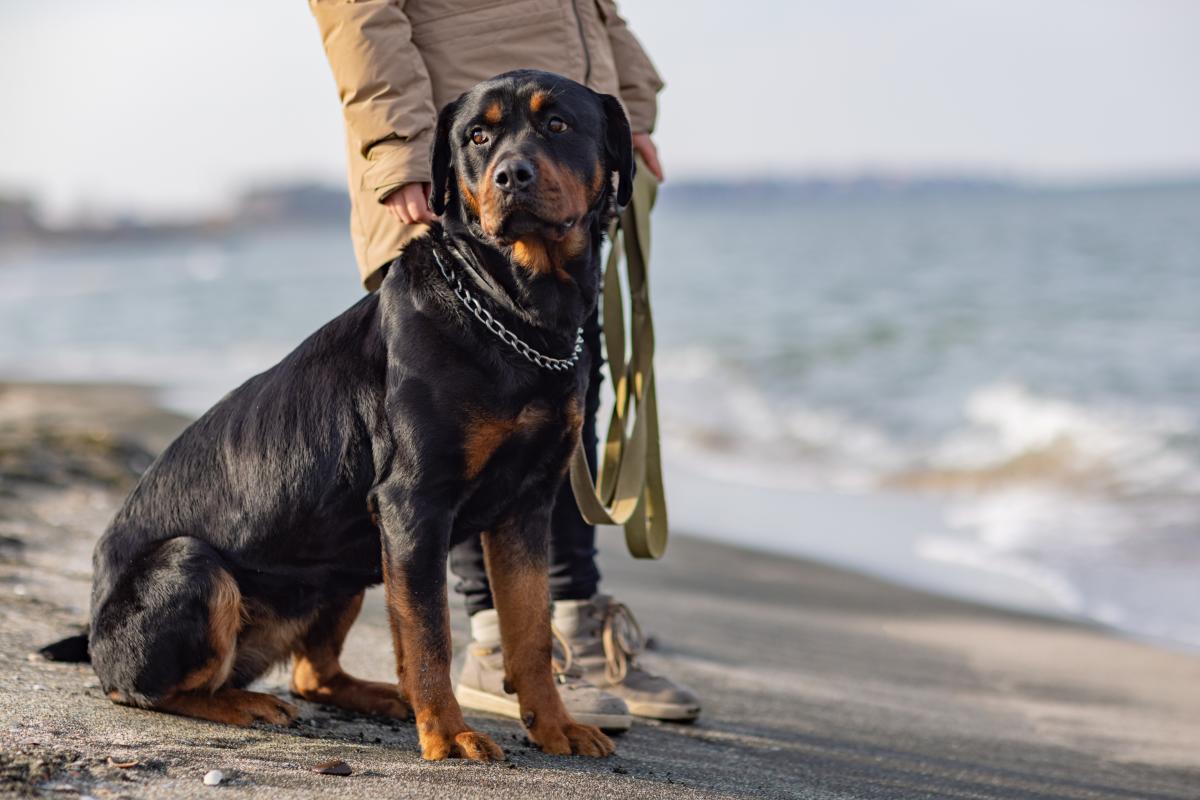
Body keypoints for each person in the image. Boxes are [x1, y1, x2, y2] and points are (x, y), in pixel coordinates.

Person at [309, 0, 699, 729]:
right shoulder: (480, 150)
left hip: (576, 150)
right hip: (448, 167)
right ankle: (492, 643)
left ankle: (572, 623)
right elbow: (358, 14)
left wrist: (629, 109)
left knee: (562, 422)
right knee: (451, 445)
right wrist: (400, 147)